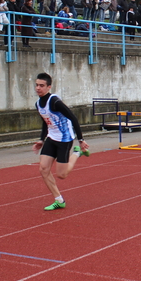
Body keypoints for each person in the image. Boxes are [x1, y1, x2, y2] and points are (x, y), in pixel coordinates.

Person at [31, 72, 90, 211]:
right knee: (43, 169)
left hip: (64, 139)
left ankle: (76, 154)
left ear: (49, 87)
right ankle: (59, 200)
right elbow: (46, 122)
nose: (38, 88)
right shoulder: (38, 104)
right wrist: (41, 139)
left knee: (62, 175)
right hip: (52, 138)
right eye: (36, 85)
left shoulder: (55, 101)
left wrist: (81, 140)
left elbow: (73, 118)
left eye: (41, 85)